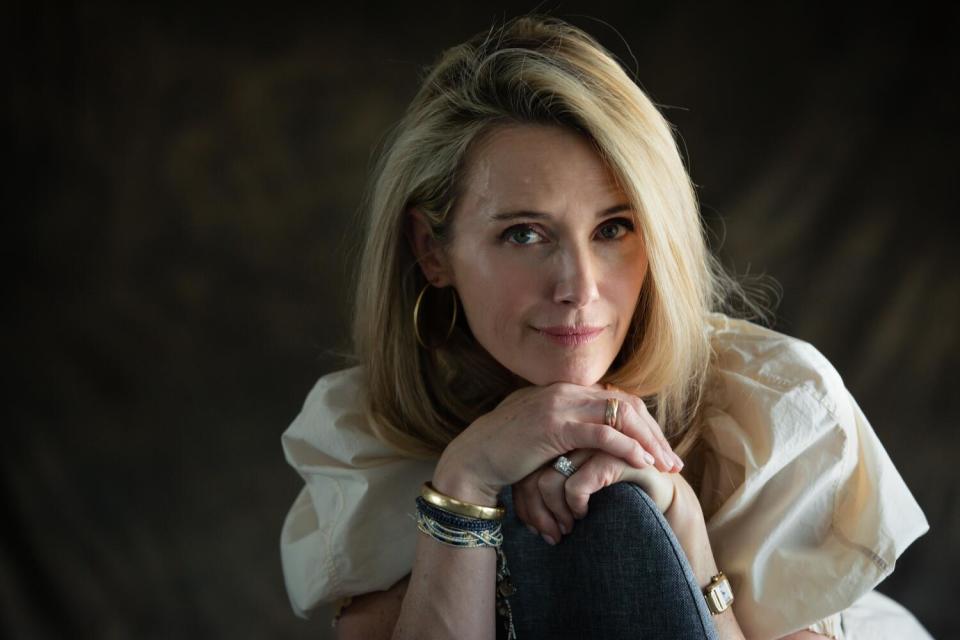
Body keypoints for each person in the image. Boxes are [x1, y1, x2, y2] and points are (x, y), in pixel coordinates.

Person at [279, 15, 931, 640]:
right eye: (524, 234)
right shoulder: (366, 428)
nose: (579, 288)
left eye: (614, 228)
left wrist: (683, 530)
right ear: (432, 251)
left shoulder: (777, 407)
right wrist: (466, 480)